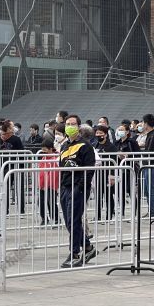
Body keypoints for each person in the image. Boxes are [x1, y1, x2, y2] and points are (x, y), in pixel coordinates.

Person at [59, 114, 97, 268]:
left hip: (78, 187)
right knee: (69, 221)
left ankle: (74, 252)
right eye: (67, 123)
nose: (69, 126)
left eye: (72, 124)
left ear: (79, 127)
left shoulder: (85, 146)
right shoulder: (64, 146)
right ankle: (87, 246)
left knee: (74, 219)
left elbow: (89, 169)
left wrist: (81, 186)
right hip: (65, 186)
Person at [0, 120, 26, 214]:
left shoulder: (0, 139)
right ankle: (21, 210)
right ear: (9, 128)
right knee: (19, 189)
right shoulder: (16, 139)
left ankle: (5, 210)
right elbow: (22, 153)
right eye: (12, 126)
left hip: (5, 167)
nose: (14, 128)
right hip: (15, 166)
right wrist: (22, 167)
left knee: (5, 189)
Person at [137, 113, 154, 218]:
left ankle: (153, 212)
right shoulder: (150, 135)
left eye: (142, 122)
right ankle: (150, 210)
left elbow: (149, 151)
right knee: (147, 189)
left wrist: (141, 149)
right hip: (147, 165)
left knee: (151, 189)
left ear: (146, 123)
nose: (141, 124)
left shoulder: (153, 135)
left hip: (151, 166)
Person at [115, 123, 140, 214]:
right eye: (119, 130)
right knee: (120, 191)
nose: (120, 131)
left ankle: (134, 212)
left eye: (122, 130)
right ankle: (121, 212)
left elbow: (138, 154)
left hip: (130, 169)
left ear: (127, 131)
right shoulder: (116, 143)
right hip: (120, 170)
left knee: (131, 191)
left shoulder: (132, 142)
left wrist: (128, 156)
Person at [94, 125, 117, 221]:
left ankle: (110, 215)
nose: (98, 135)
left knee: (108, 195)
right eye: (97, 133)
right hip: (98, 173)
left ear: (106, 134)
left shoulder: (111, 146)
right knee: (98, 195)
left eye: (101, 133)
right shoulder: (96, 145)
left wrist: (112, 175)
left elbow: (114, 160)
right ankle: (98, 215)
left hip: (107, 173)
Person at [37, 137, 59, 225]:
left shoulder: (55, 158)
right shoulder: (43, 158)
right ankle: (44, 218)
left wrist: (50, 184)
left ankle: (56, 218)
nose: (43, 152)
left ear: (51, 149)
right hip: (42, 184)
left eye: (45, 150)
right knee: (41, 202)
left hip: (51, 184)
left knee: (51, 202)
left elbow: (55, 173)